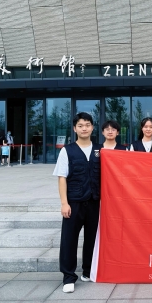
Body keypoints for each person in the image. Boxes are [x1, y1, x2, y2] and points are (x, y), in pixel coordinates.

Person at [53, 112, 103, 293]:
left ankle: (88, 271)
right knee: (69, 240)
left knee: (92, 239)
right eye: (80, 125)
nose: (84, 128)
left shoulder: (100, 150)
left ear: (92, 128)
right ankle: (68, 276)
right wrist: (64, 203)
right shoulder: (67, 151)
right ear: (75, 128)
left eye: (87, 125)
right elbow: (62, 178)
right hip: (74, 202)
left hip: (95, 202)